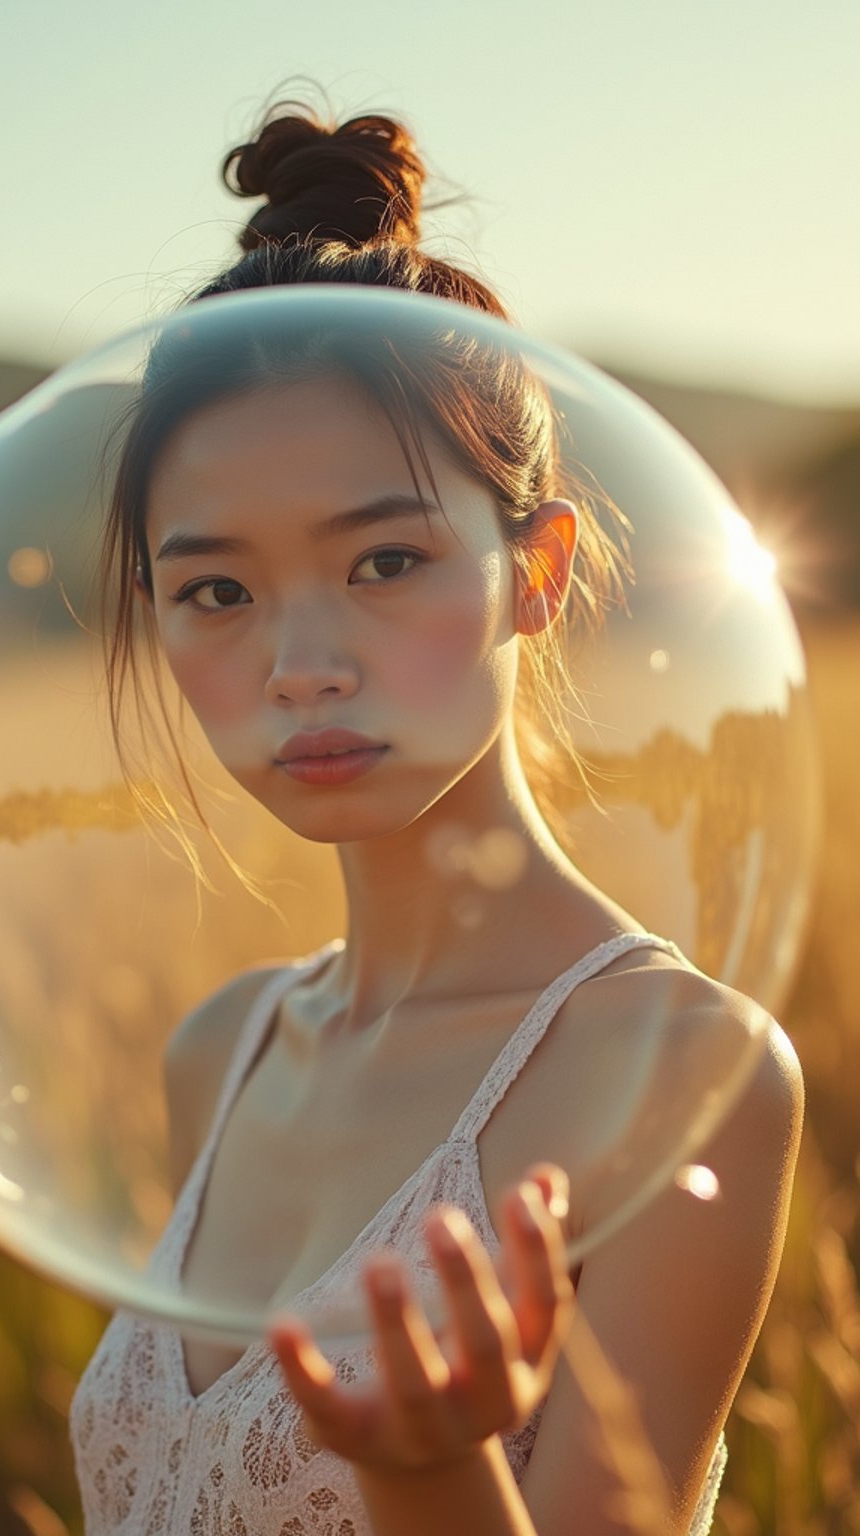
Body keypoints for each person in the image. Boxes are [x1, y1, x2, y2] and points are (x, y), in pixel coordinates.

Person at [69, 103, 803, 1536]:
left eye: (385, 559)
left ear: (537, 572)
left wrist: (430, 1471)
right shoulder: (217, 1056)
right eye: (216, 589)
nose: (300, 666)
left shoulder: (683, 1070)